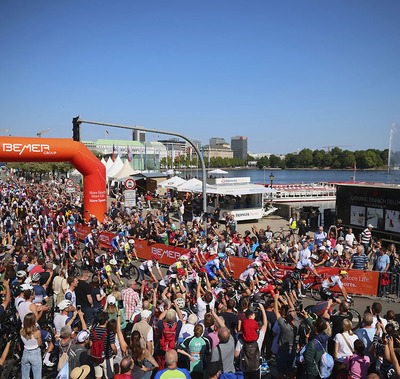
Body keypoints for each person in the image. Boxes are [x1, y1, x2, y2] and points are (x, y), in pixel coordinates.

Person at [273, 293, 298, 379]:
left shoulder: (284, 325)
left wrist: (276, 299)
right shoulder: (297, 323)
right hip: (293, 350)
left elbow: (276, 312)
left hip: (283, 351)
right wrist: (288, 297)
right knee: (291, 370)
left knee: (280, 371)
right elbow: (293, 309)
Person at [89, 311, 117, 379]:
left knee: (98, 376)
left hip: (96, 357)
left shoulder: (93, 330)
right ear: (106, 321)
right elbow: (113, 347)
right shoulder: (109, 332)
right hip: (106, 357)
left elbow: (90, 344)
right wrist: (115, 352)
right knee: (109, 377)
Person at [20, 313, 42, 379]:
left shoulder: (21, 331)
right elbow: (39, 343)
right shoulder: (37, 332)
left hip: (25, 353)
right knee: (37, 376)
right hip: (35, 353)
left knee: (24, 376)